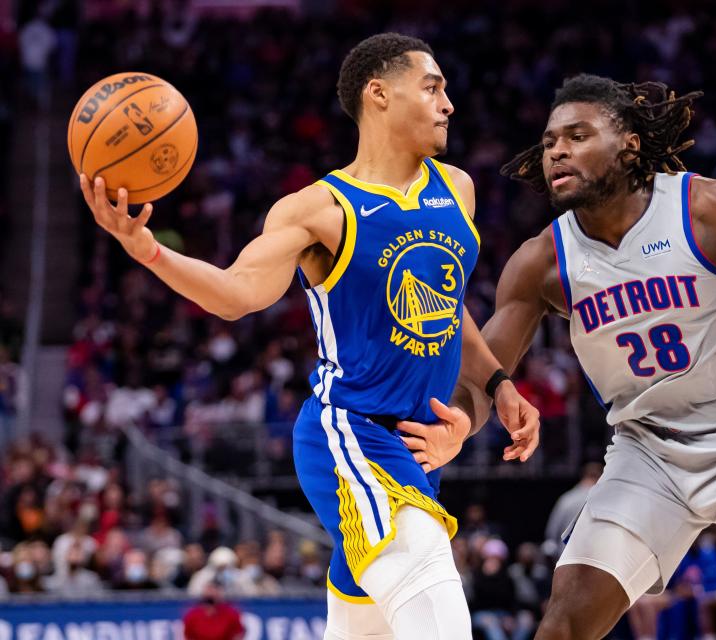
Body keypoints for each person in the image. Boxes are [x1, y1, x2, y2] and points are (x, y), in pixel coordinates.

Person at [79, 33, 540, 640]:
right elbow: (237, 292)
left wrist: (499, 382)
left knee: (362, 627)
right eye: (432, 87)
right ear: (379, 94)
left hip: (417, 451)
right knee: (436, 599)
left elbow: (447, 308)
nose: (448, 103)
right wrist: (148, 251)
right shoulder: (319, 209)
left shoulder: (456, 189)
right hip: (349, 433)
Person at [410, 74, 716, 638]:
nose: (557, 150)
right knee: (564, 622)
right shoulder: (542, 262)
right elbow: (484, 379)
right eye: (551, 140)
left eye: (578, 135)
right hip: (646, 450)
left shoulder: (709, 206)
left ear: (628, 141)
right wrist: (462, 423)